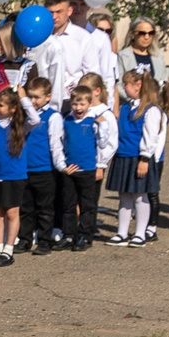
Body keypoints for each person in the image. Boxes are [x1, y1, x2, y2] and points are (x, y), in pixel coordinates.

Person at [52, 74, 114, 251]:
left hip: (87, 168)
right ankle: (69, 235)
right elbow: (60, 143)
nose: (78, 108)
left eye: (82, 104)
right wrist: (62, 165)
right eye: (75, 104)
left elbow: (103, 143)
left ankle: (85, 236)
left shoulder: (93, 121)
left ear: (89, 104)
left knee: (87, 205)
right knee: (68, 204)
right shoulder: (67, 120)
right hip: (71, 169)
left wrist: (102, 126)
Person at [110, 69, 169, 246]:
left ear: (137, 86)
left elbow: (151, 136)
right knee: (125, 196)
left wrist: (144, 159)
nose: (123, 87)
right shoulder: (125, 107)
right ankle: (122, 232)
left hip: (139, 158)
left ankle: (140, 233)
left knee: (140, 196)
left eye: (125, 84)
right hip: (124, 156)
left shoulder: (151, 110)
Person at [0, 87, 32, 266]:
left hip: (15, 175)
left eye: (1, 105)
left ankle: (9, 248)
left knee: (12, 212)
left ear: (12, 108)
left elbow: (35, 118)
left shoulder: (20, 125)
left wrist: (23, 97)